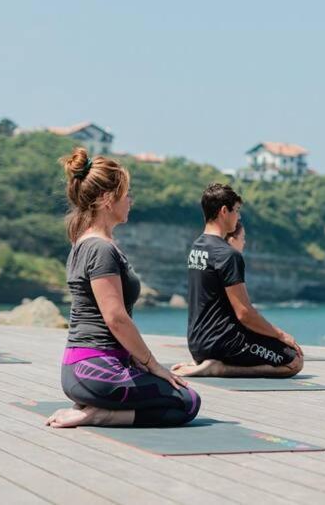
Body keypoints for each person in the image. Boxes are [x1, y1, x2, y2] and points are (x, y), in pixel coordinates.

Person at [45, 148, 200, 429]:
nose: (130, 200)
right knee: (187, 401)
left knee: (176, 394)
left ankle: (95, 407)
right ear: (107, 199)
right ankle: (99, 414)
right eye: (126, 193)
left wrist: (136, 361)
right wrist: (153, 364)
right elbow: (115, 318)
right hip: (95, 372)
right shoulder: (100, 248)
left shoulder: (83, 243)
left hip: (83, 370)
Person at [173, 183, 304, 378]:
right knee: (294, 360)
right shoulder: (227, 255)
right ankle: (220, 368)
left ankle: (205, 362)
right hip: (224, 343)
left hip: (197, 343)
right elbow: (244, 314)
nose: (239, 216)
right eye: (237, 210)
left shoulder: (197, 246)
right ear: (224, 211)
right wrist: (280, 335)